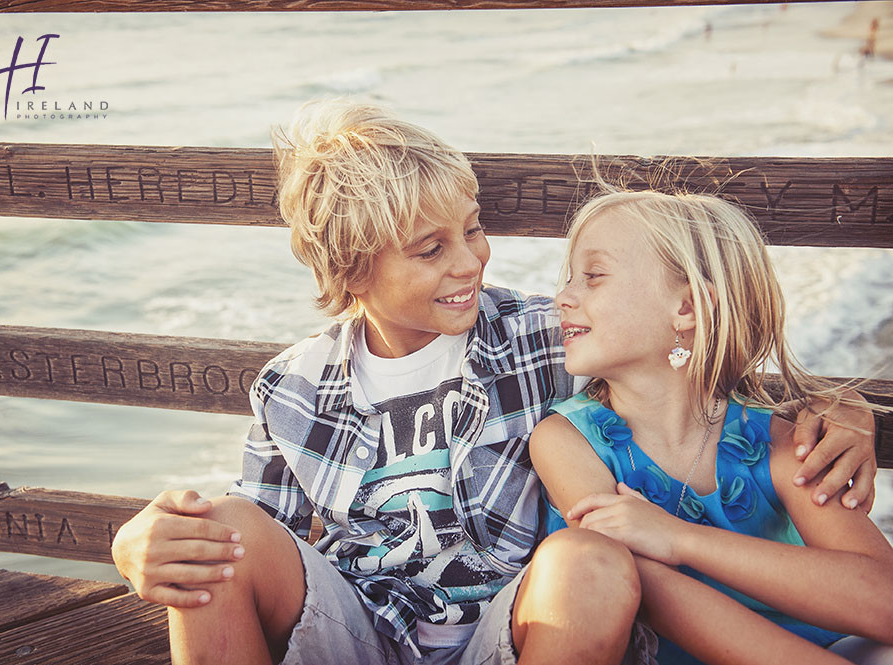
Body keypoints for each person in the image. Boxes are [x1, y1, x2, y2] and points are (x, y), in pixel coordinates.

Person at [111, 101, 878, 665]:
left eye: (473, 228)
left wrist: (844, 411)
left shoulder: (546, 335)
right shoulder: (293, 387)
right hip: (363, 628)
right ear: (352, 270)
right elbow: (258, 532)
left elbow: (691, 356)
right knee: (218, 534)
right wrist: (137, 544)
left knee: (589, 557)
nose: (471, 260)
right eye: (431, 248)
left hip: (506, 631)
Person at [530, 186, 892, 665]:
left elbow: (884, 601)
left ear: (687, 308)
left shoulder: (779, 442)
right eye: (570, 277)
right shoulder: (569, 443)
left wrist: (680, 538)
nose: (563, 297)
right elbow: (646, 589)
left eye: (593, 276)